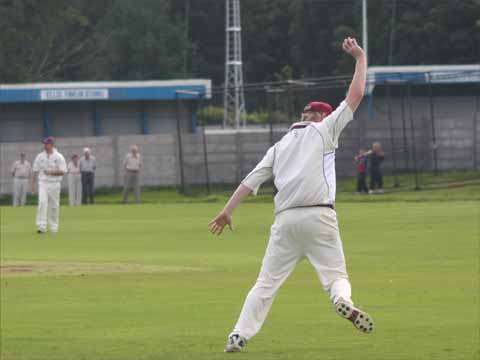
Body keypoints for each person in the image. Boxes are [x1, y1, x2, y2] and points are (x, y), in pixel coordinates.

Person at [209, 38, 374, 353]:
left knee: (265, 284)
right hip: (319, 216)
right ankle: (342, 301)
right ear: (322, 117)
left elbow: (249, 182)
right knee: (336, 277)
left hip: (285, 221)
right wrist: (360, 58)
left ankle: (238, 336)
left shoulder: (279, 145)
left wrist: (227, 211)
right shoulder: (324, 131)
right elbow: (355, 95)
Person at [31, 137, 67, 233]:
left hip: (55, 183)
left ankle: (54, 227)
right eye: (44, 144)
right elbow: (35, 170)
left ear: (52, 145)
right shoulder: (40, 156)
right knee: (42, 203)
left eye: (47, 144)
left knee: (54, 206)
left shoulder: (59, 156)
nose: (45, 146)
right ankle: (41, 226)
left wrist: (51, 172)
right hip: (43, 183)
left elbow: (63, 171)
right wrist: (32, 184)